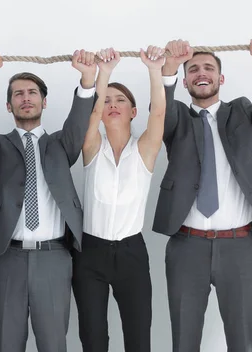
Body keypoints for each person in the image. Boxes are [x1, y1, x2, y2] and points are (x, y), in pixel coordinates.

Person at [154, 39, 252, 351]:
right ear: (185, 81)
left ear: (221, 79)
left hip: (239, 248)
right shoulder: (176, 117)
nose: (201, 73)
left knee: (241, 342)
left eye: (209, 68)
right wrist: (167, 69)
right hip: (186, 248)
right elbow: (161, 112)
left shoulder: (242, 112)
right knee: (184, 341)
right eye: (193, 69)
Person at [0, 49, 96, 352]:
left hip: (54, 259)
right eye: (18, 94)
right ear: (8, 104)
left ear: (44, 102)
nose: (25, 98)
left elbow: (80, 118)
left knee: (54, 344)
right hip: (8, 258)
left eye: (32, 93)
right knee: (8, 343)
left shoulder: (61, 144)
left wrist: (86, 78)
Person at [72, 46, 166, 352]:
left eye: (120, 100)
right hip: (91, 253)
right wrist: (105, 73)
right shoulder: (92, 148)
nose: (112, 105)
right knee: (93, 338)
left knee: (138, 338)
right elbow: (92, 111)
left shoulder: (145, 150)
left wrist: (155, 70)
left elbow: (159, 112)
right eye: (108, 100)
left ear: (132, 111)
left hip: (131, 254)